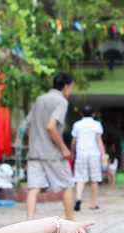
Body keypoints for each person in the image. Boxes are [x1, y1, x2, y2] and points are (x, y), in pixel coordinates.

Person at [25, 72, 75, 221]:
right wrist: (64, 148)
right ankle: (71, 224)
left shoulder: (40, 99)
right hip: (53, 154)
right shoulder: (61, 101)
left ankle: (29, 224)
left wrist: (32, 144)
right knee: (67, 186)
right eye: (70, 87)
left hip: (35, 153)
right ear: (66, 86)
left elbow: (28, 125)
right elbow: (51, 126)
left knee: (34, 188)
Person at [70, 105, 106, 211]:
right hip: (94, 154)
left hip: (81, 154)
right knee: (94, 179)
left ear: (82, 114)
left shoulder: (77, 125)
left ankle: (79, 197)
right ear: (93, 114)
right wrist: (103, 154)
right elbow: (99, 140)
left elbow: (73, 142)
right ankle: (92, 203)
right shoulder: (97, 125)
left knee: (80, 178)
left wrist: (72, 152)